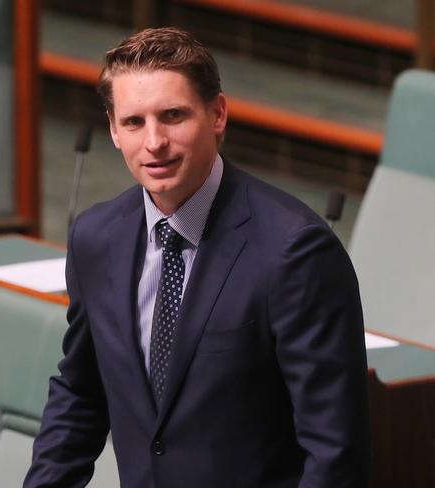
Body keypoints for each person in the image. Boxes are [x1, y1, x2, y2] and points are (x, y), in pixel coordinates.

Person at [24, 27, 370, 487]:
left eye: (173, 116)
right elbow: (81, 395)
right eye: (134, 122)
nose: (154, 142)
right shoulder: (95, 238)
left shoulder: (295, 251)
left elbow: (334, 451)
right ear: (113, 129)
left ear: (218, 114)